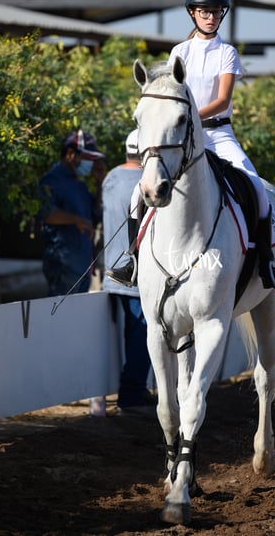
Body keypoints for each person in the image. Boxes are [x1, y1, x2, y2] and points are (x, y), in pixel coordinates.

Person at [106, 0, 275, 293]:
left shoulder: (227, 53)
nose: (211, 17)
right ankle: (132, 260)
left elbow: (222, 100)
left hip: (219, 134)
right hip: (182, 137)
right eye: (205, 11)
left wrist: (192, 115)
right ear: (192, 12)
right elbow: (170, 92)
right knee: (140, 193)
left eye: (217, 11)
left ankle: (267, 262)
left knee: (257, 188)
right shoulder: (180, 51)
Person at [103, 130, 152, 411]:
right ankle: (131, 396)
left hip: (113, 270)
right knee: (142, 334)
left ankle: (135, 390)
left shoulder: (110, 176)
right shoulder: (144, 181)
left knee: (132, 333)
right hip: (137, 273)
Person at [39, 129, 106, 296]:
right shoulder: (52, 180)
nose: (90, 163)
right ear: (70, 154)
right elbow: (46, 213)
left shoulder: (80, 185)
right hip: (63, 265)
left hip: (84, 267)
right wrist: (78, 220)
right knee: (60, 317)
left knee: (75, 319)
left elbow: (96, 214)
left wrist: (99, 184)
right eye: (87, 158)